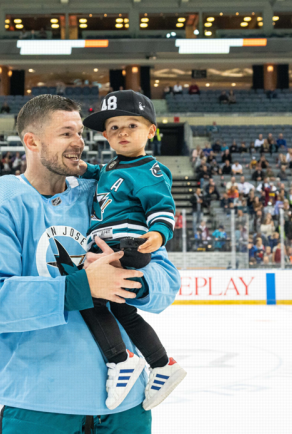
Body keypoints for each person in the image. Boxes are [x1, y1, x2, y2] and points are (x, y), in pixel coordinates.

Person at [0, 94, 180, 433]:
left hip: (127, 410)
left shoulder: (107, 192)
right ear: (31, 141)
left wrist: (124, 278)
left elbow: (165, 282)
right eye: (66, 133)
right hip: (35, 407)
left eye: (80, 132)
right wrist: (84, 287)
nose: (79, 142)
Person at [80, 90, 186, 410]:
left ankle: (121, 359)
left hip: (128, 243)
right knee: (123, 310)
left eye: (132, 125)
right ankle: (162, 364)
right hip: (112, 243)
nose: (122, 132)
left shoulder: (150, 170)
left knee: (86, 294)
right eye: (114, 128)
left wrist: (159, 233)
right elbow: (97, 174)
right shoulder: (111, 168)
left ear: (151, 130)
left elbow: (162, 206)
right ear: (104, 135)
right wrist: (75, 165)